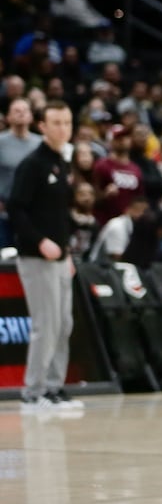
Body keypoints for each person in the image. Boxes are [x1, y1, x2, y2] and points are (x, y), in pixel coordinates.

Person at [8, 100, 84, 412]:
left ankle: (54, 387)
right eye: (56, 123)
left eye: (67, 122)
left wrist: (66, 252)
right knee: (46, 323)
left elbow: (59, 215)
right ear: (43, 126)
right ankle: (33, 392)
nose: (63, 128)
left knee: (64, 323)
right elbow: (15, 208)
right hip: (35, 257)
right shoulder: (33, 164)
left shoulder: (61, 163)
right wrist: (40, 242)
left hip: (59, 258)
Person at [0, 98, 41, 249]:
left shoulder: (41, 144)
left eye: (25, 110)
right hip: (4, 213)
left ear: (31, 116)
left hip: (32, 213)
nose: (21, 114)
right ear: (8, 117)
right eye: (16, 111)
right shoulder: (1, 142)